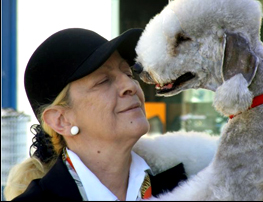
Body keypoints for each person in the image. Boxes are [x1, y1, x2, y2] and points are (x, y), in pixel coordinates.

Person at [4, 28, 187, 201]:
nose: (131, 86)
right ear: (61, 120)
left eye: (129, 74)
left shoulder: (187, 188)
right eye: (103, 81)